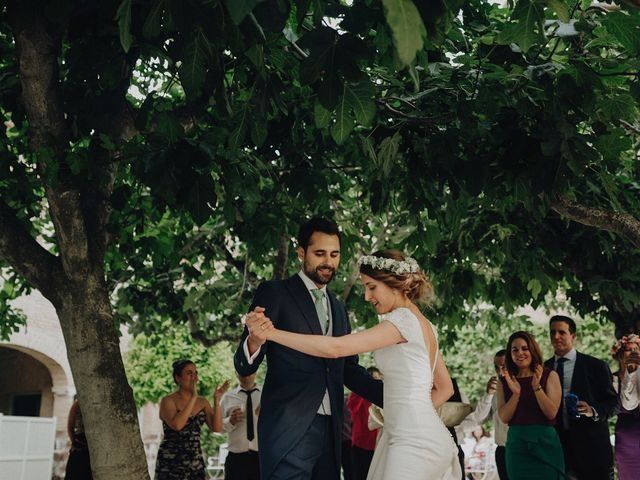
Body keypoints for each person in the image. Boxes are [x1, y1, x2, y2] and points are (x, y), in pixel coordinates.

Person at [246, 249, 461, 480]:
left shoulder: (403, 321)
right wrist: (407, 411)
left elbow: (335, 348)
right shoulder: (425, 324)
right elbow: (445, 387)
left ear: (394, 285)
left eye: (372, 287)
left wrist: (271, 332)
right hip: (423, 435)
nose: (367, 297)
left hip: (413, 442)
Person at [234, 218, 383, 480]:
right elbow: (244, 364)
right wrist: (255, 339)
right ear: (301, 253)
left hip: (332, 430)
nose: (328, 261)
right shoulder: (275, 293)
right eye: (320, 253)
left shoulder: (338, 307)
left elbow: (348, 368)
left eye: (334, 254)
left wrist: (394, 397)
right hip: (288, 428)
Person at [544, 315, 618, 480]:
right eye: (552, 332)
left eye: (561, 332)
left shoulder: (596, 366)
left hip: (592, 448)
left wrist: (592, 410)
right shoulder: (543, 369)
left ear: (573, 336)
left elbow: (613, 403)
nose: (556, 337)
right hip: (557, 448)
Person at [497, 331, 563, 479]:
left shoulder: (550, 375)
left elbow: (551, 413)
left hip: (545, 444)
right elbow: (504, 417)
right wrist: (516, 394)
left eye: (524, 348)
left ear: (532, 350)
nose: (520, 353)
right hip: (517, 446)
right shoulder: (505, 382)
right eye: (515, 350)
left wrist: (536, 387)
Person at [155, 359, 229, 480]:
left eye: (195, 373)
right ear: (178, 378)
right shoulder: (168, 401)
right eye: (189, 373)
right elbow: (177, 425)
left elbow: (217, 428)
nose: (194, 377)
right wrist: (193, 397)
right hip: (171, 461)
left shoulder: (202, 402)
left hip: (195, 460)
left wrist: (216, 401)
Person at [456, 351, 508, 480]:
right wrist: (489, 394)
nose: (500, 372)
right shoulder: (495, 391)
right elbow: (479, 418)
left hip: (520, 449)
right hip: (502, 450)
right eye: (497, 367)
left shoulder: (524, 388)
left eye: (504, 366)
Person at [220, 373, 262, 480]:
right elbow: (217, 428)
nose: (246, 376)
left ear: (255, 371)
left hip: (262, 458)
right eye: (242, 372)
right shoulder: (227, 397)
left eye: (249, 372)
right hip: (236, 459)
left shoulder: (266, 395)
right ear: (236, 374)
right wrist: (230, 421)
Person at [612, 334, 640, 479]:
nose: (634, 352)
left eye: (637, 349)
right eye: (629, 350)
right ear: (621, 354)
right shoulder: (612, 379)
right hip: (627, 439)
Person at [347, 367, 382, 480]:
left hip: (376, 445)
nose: (378, 382)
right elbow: (352, 407)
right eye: (375, 379)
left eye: (379, 379)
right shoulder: (357, 395)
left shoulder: (380, 395)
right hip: (360, 444)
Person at [64, 397, 92, 480]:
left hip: (93, 447)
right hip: (79, 446)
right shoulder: (77, 404)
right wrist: (75, 442)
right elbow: (70, 427)